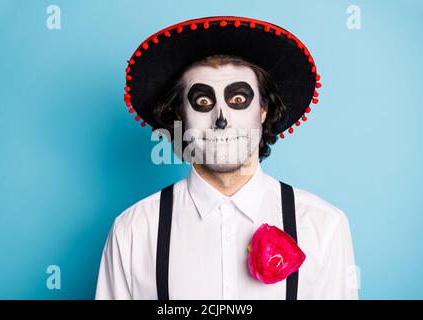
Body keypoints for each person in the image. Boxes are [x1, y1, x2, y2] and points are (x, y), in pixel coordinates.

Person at [95, 16, 359, 300]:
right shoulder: (133, 231)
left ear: (263, 111)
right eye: (203, 102)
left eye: (237, 100)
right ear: (180, 116)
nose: (220, 120)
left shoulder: (324, 225)